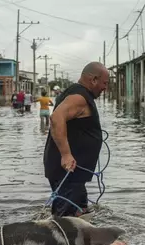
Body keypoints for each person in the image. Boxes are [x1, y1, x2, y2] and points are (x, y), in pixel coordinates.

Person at [43, 61, 109, 217]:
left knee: (81, 214)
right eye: (104, 83)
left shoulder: (76, 93)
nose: (105, 87)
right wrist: (66, 154)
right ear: (93, 80)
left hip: (74, 174)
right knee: (65, 222)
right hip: (67, 172)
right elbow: (56, 118)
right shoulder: (78, 97)